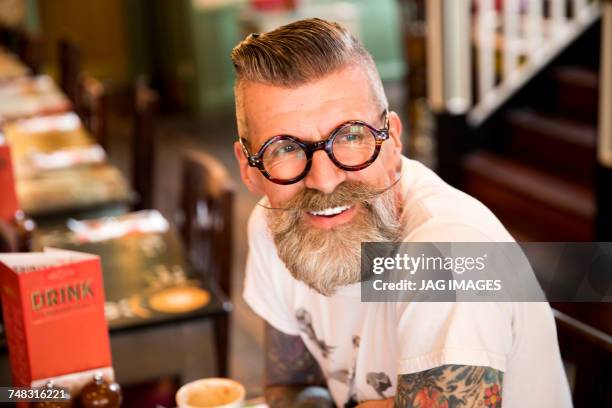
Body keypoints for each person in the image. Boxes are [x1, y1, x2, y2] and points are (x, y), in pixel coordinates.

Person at [231, 19, 572, 408]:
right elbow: (291, 383)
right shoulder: (274, 224)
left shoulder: (451, 254)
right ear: (249, 168)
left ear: (392, 139)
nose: (324, 181)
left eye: (350, 136)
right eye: (285, 148)